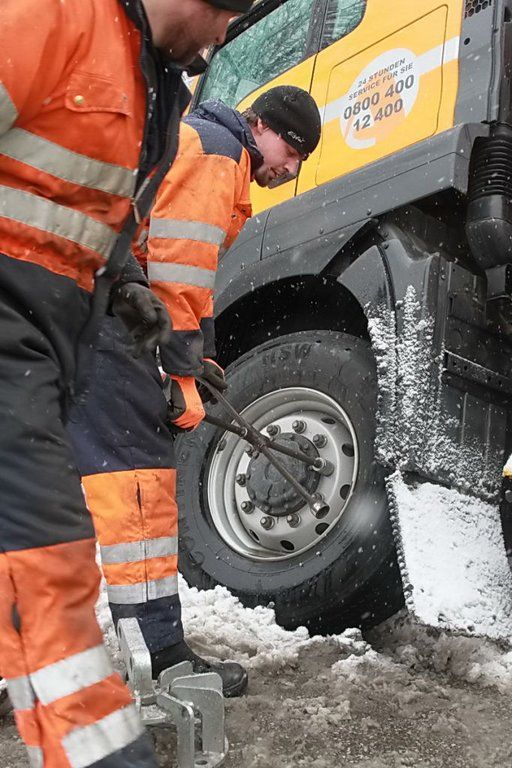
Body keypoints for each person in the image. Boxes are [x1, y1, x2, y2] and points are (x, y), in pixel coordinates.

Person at [0, 0, 254, 766]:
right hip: (12, 331)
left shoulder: (154, 86)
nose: (223, 36)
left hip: (55, 338)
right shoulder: (51, 14)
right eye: (224, 12)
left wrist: (142, 312)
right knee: (50, 566)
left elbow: (103, 226)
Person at [68, 86, 322, 698]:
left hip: (95, 313)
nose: (290, 168)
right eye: (291, 150)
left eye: (300, 161)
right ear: (259, 127)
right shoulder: (216, 152)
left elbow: (188, 282)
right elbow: (173, 274)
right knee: (138, 482)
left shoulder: (210, 151)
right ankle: (160, 655)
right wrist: (181, 374)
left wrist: (201, 357)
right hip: (112, 318)